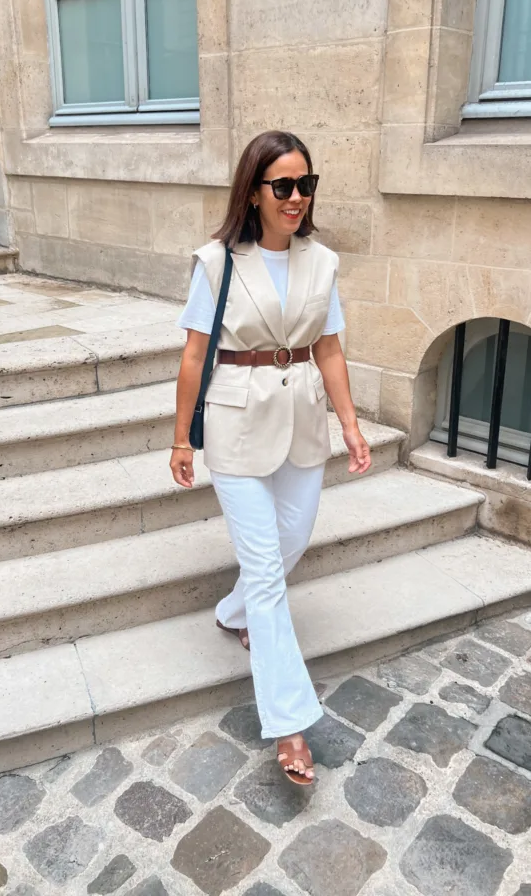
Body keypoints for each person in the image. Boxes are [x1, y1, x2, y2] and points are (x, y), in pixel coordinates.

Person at [170, 130, 371, 785]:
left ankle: (232, 615)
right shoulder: (218, 263)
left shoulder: (323, 262)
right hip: (235, 423)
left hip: (304, 419)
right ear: (254, 191)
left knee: (291, 541)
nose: (295, 197)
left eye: (305, 184)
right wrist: (181, 438)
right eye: (282, 185)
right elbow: (194, 356)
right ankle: (289, 725)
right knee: (264, 570)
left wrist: (351, 424)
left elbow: (331, 349)